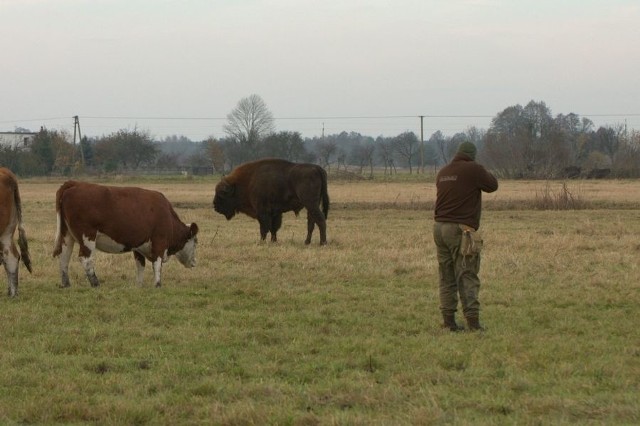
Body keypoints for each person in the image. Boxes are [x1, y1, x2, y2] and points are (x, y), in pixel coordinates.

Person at [433, 141, 498, 331]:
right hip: (460, 230)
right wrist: (481, 169)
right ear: (472, 155)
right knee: (467, 273)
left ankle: (448, 322)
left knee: (446, 276)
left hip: (438, 228)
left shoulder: (443, 172)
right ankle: (473, 323)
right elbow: (492, 185)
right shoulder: (473, 169)